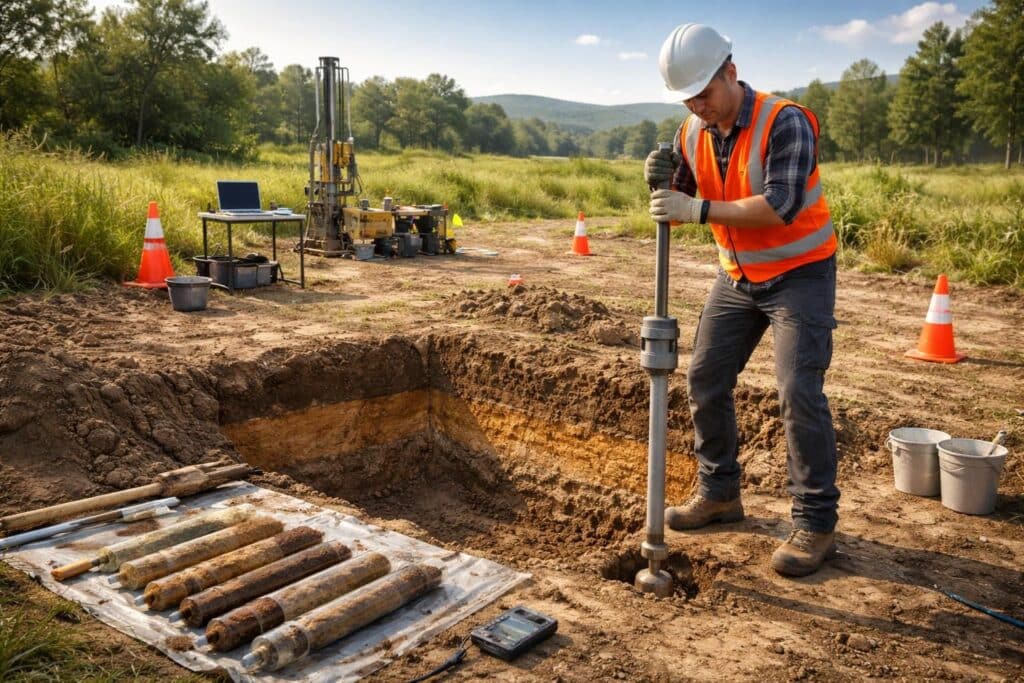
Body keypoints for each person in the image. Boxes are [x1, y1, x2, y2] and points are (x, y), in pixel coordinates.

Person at [644, 23, 839, 577]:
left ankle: (816, 522)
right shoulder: (691, 131)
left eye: (705, 93)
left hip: (799, 274)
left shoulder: (786, 123)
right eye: (688, 98)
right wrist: (658, 180)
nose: (698, 106)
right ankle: (721, 494)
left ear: (731, 71)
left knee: (799, 390)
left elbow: (779, 205)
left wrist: (696, 210)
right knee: (704, 377)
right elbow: (674, 194)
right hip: (738, 277)